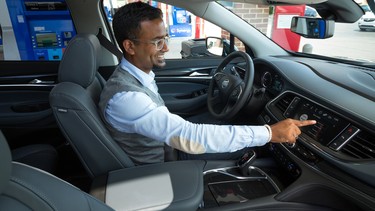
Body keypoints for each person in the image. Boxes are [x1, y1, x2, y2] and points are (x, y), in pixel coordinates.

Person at [98, 2, 316, 165]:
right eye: (157, 42)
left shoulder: (136, 76)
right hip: (162, 167)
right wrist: (269, 133)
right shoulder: (126, 98)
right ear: (130, 46)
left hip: (166, 147)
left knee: (227, 124)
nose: (166, 48)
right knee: (260, 150)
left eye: (165, 38)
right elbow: (191, 138)